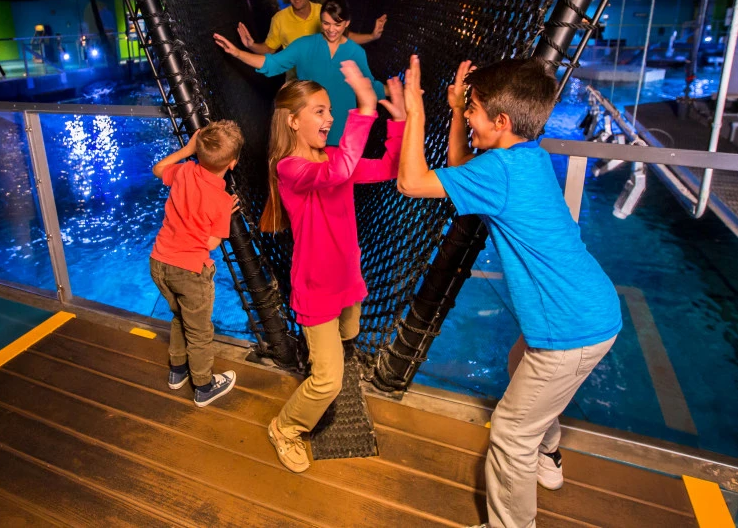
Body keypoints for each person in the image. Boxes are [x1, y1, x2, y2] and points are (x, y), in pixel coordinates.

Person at [397, 55, 621, 528]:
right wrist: (456, 111)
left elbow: (411, 182)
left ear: (501, 122)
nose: (468, 115)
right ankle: (549, 456)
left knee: (510, 433)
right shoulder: (524, 156)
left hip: (569, 328)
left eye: (473, 110)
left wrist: (415, 111)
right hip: (586, 310)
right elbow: (460, 168)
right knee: (519, 367)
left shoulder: (501, 170)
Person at [261, 61, 406, 473]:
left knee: (350, 334)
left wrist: (398, 124)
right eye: (320, 111)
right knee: (328, 381)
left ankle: (325, 357)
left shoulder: (334, 157)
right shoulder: (290, 168)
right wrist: (365, 109)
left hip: (349, 279)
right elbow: (338, 171)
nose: (329, 118)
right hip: (317, 289)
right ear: (293, 121)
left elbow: (388, 168)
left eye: (330, 110)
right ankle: (285, 428)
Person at [149, 120, 244, 408]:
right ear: (233, 163)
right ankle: (203, 386)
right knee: (200, 332)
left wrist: (186, 150)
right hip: (190, 272)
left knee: (179, 316)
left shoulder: (184, 171)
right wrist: (226, 213)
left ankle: (177, 370)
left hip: (159, 263)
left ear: (197, 151)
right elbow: (211, 243)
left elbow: (158, 169)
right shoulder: (222, 200)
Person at [214, 0, 386, 145]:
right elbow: (272, 63)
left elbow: (370, 88)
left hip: (343, 133)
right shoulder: (304, 45)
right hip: (309, 130)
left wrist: (395, 90)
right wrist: (238, 53)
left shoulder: (356, 52)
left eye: (337, 24)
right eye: (326, 23)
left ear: (347, 23)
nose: (331, 29)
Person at [235, 0, 387, 54]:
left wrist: (372, 36)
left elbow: (346, 37)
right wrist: (251, 45)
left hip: (323, 83)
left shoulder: (324, 12)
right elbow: (269, 49)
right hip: (296, 86)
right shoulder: (279, 19)